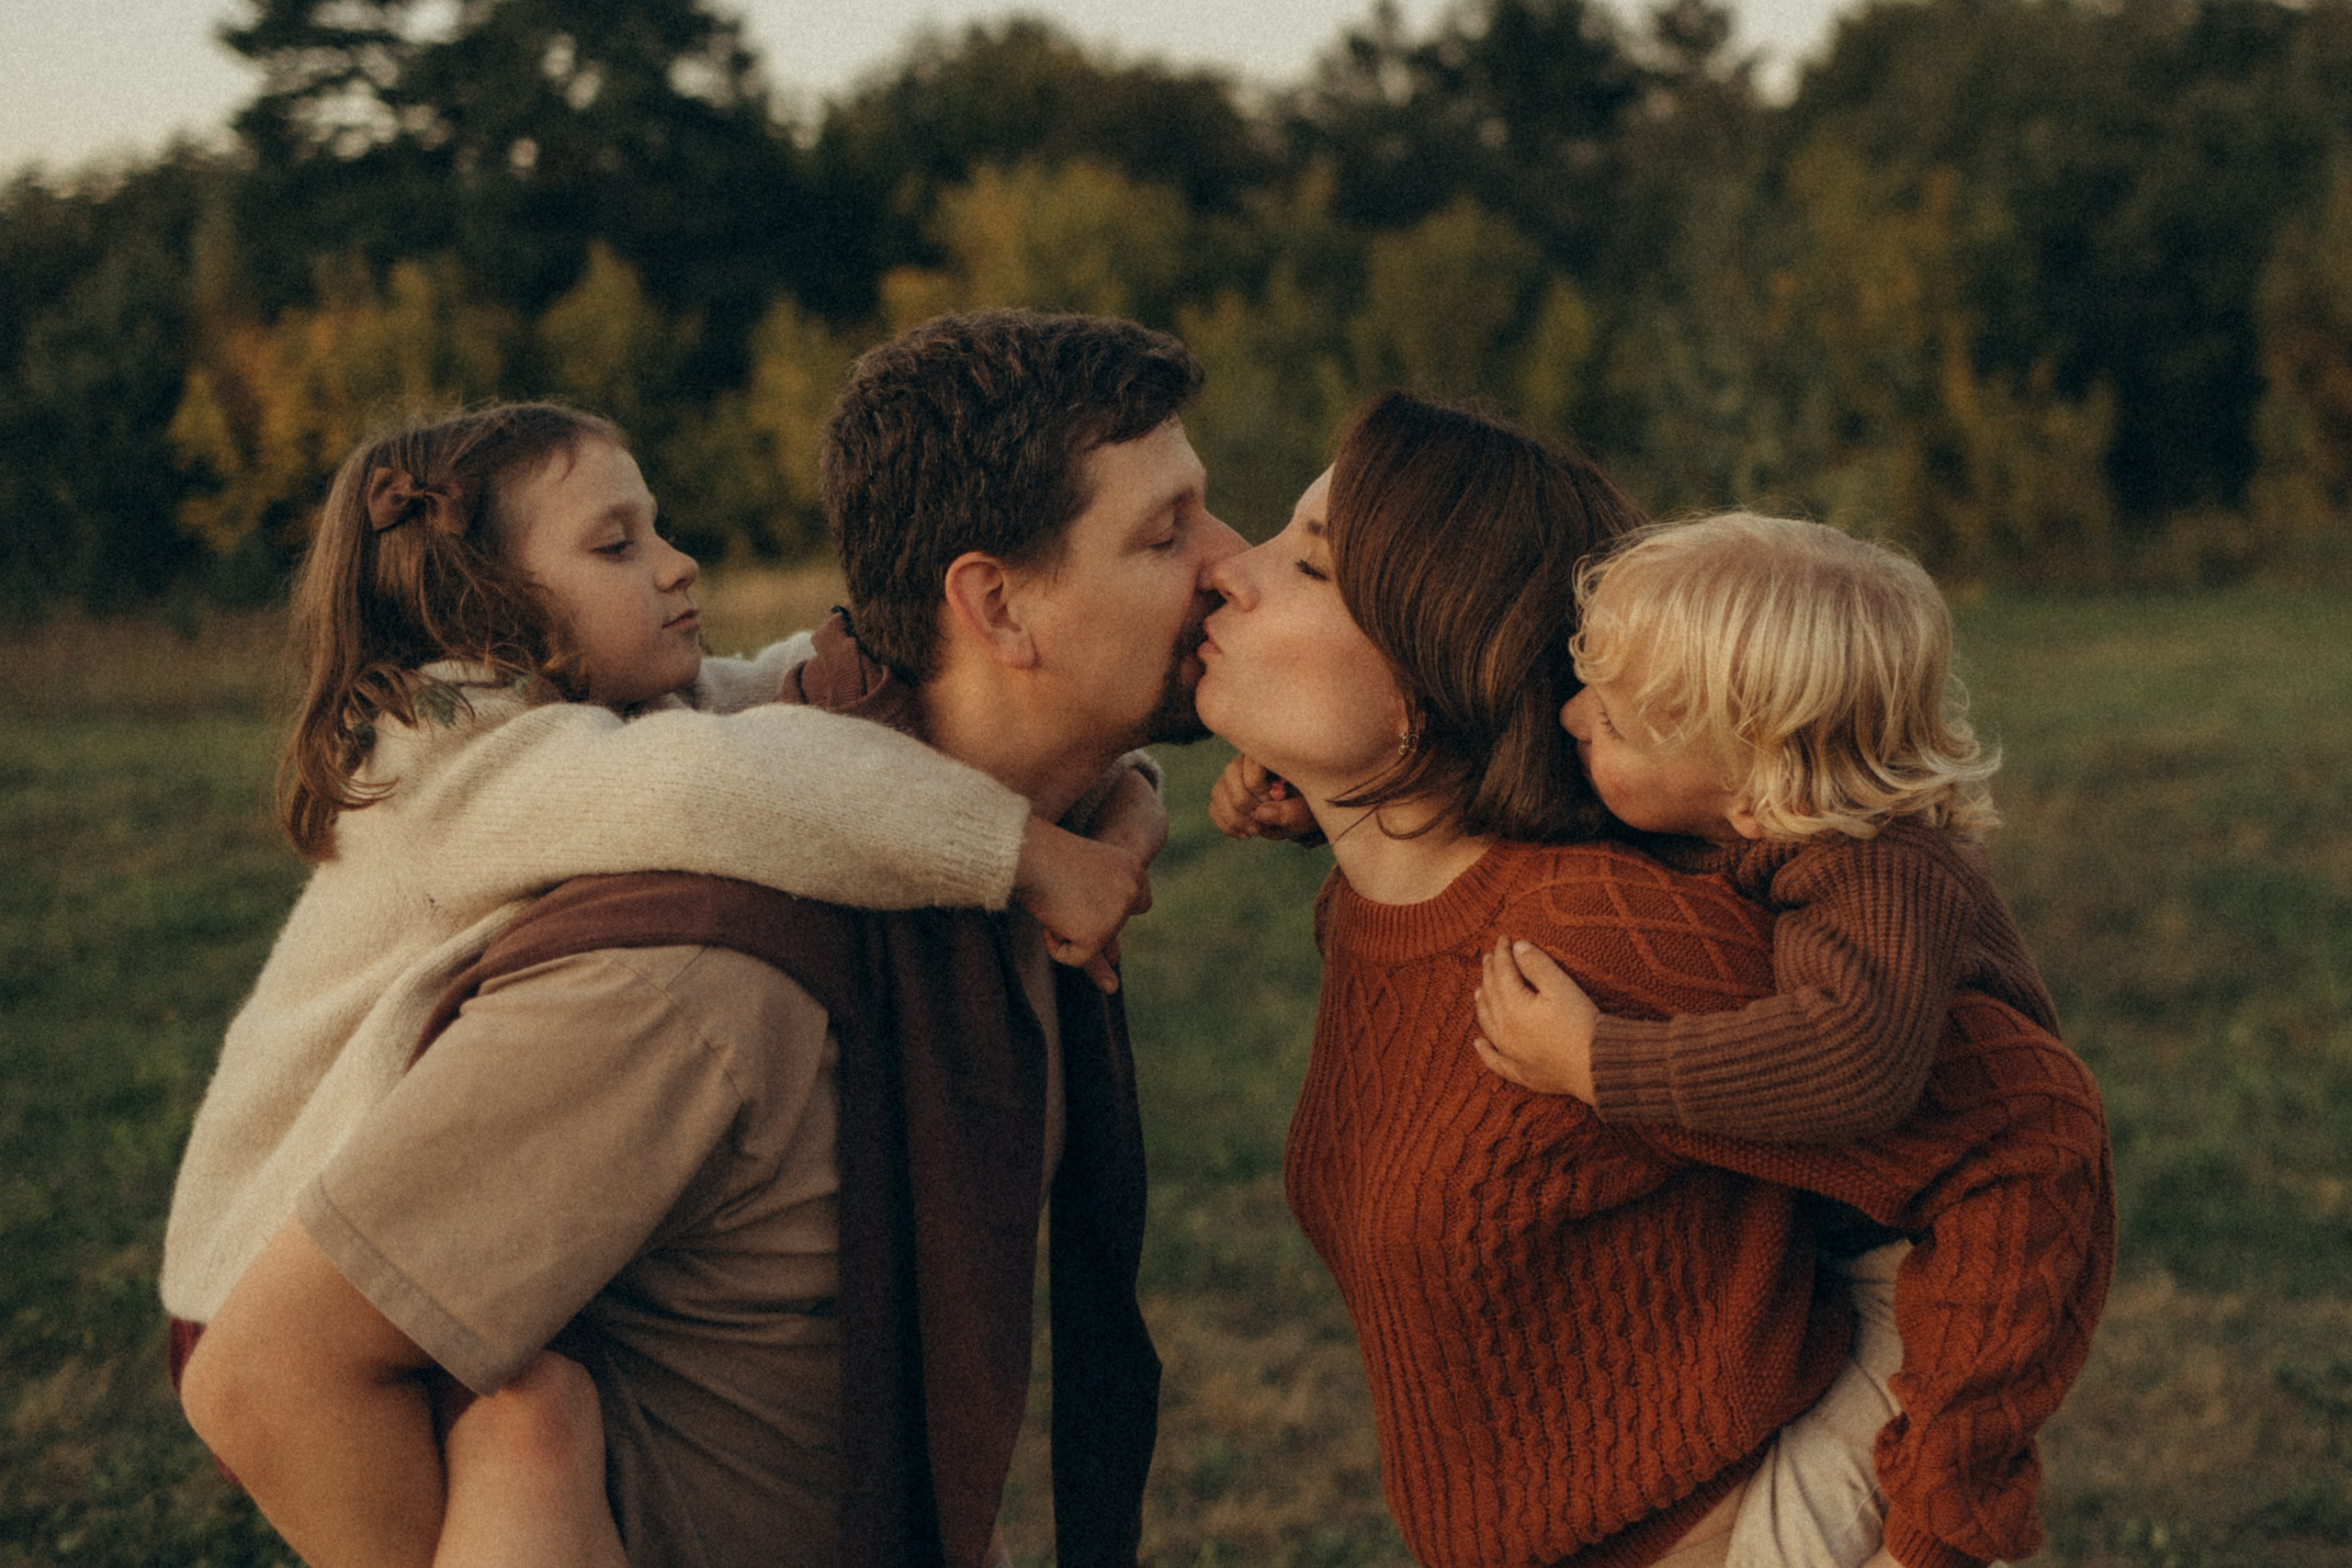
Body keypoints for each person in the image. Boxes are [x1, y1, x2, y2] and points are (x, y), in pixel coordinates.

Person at [178, 313, 1247, 1568]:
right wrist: (1029, 853)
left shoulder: (756, 744)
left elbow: (802, 694)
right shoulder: (678, 961)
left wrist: (1108, 805)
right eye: (1169, 531)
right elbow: (270, 1374)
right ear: (994, 602)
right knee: (533, 1430)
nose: (1237, 561)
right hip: (251, 1246)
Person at [1200, 392, 2112, 1568]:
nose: (1230, 567)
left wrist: (1940, 1520)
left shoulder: (1591, 941)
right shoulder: (1376, 908)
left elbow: (2027, 1127)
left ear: (1430, 678)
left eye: (1311, 566)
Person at [1464, 512, 2057, 1140]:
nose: (1570, 716)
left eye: (1613, 723)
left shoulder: (1881, 869)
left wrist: (1593, 1058)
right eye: (1589, 689)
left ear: (1768, 796)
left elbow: (1853, 1062)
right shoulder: (1744, 819)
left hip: (2003, 1180)